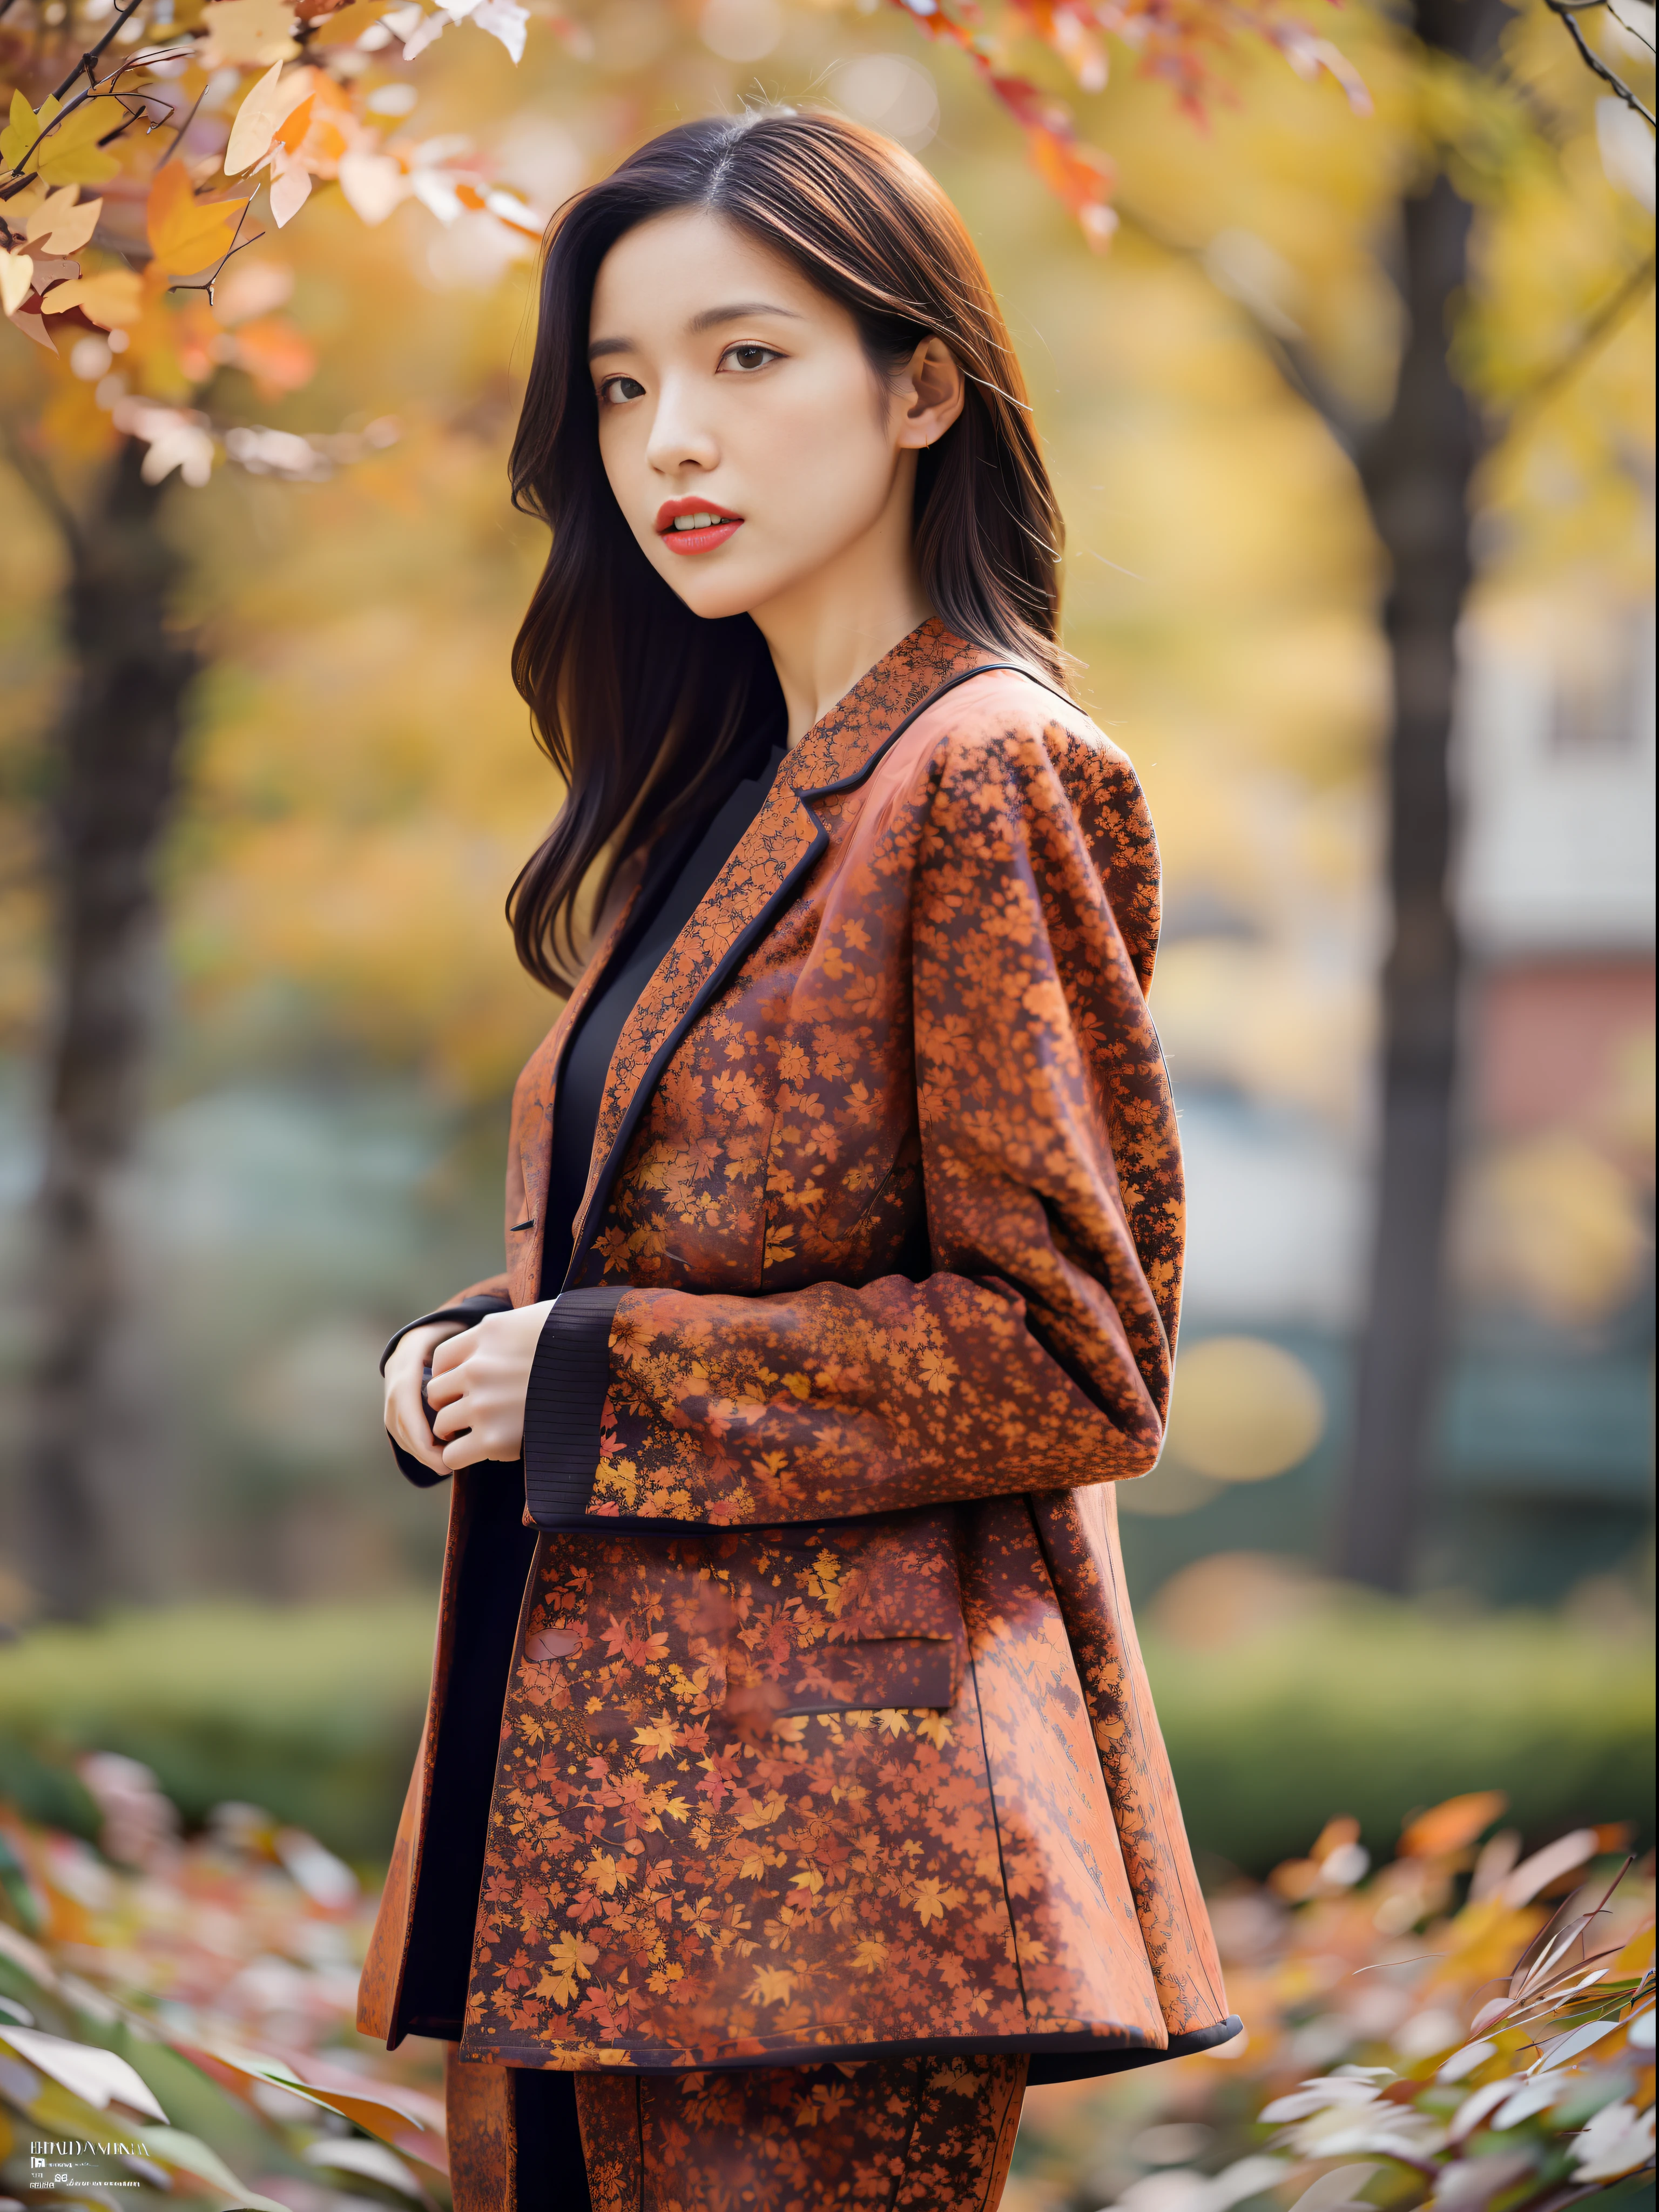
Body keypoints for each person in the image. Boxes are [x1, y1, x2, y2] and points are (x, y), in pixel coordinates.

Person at [362, 107, 1239, 2212]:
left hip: (833, 1882)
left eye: (748, 358)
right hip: (600, 1846)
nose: (676, 434)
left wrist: (588, 1377)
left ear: (923, 385)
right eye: (624, 382)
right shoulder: (726, 807)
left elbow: (1073, 1348)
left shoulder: (990, 769)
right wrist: (467, 1359)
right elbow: (690, 1249)